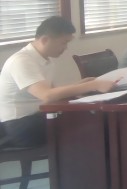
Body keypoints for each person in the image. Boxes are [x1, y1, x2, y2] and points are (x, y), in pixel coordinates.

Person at [0, 17, 120, 147]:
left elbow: (53, 93)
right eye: (63, 43)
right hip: (21, 125)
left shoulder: (45, 60)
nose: (65, 48)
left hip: (37, 116)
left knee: (96, 117)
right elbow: (46, 95)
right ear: (45, 40)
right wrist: (92, 85)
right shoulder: (21, 61)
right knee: (91, 123)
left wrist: (78, 85)